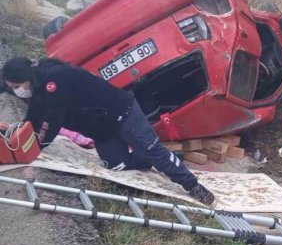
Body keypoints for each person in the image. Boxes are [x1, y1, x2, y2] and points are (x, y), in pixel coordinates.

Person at [1, 57, 215, 204]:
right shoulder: (40, 84)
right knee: (115, 163)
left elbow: (51, 121)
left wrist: (35, 146)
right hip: (104, 129)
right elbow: (35, 115)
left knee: (154, 151)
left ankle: (194, 186)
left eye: (15, 86)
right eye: (11, 87)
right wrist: (23, 134)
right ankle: (158, 159)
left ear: (26, 78)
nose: (15, 90)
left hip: (124, 115)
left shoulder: (54, 80)